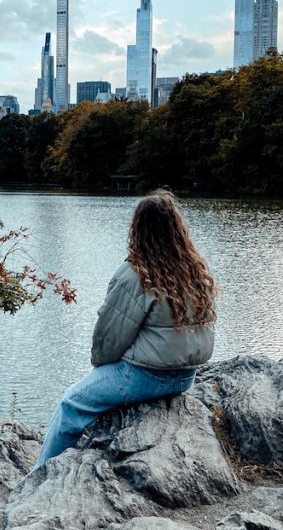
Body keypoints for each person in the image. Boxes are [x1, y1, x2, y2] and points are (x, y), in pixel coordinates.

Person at [35, 189, 217, 468]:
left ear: (138, 230)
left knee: (71, 404)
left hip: (147, 377)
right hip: (185, 378)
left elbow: (108, 338)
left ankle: (38, 477)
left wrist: (101, 369)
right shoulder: (195, 269)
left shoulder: (136, 274)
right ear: (177, 229)